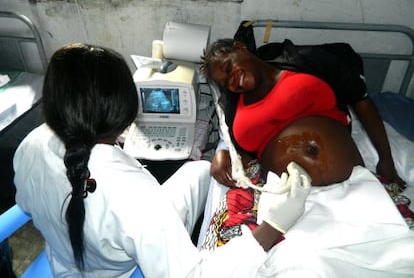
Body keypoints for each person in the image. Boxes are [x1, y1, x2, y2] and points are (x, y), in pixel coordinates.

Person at [13, 43, 312, 278]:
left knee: (198, 171)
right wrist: (273, 225)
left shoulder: (30, 144)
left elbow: (30, 205)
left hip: (67, 259)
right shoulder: (133, 195)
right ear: (124, 110)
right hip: (120, 269)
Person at [202, 38, 406, 189]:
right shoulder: (235, 109)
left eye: (229, 67)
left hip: (351, 183)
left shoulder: (305, 61)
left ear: (240, 47)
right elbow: (241, 152)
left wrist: (386, 160)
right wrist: (222, 154)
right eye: (225, 83)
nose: (232, 81)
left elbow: (361, 101)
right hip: (287, 198)